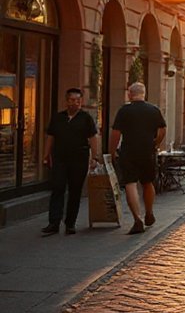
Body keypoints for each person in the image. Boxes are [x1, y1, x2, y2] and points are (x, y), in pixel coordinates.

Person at [110, 82, 166, 235]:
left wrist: (112, 151)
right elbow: (162, 129)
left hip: (129, 151)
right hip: (147, 151)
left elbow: (116, 133)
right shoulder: (153, 110)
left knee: (130, 183)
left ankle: (137, 219)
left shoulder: (124, 111)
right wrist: (156, 143)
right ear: (144, 93)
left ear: (129, 94)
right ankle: (149, 212)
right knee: (147, 182)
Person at [41, 88, 99, 236]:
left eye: (78, 101)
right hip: (60, 158)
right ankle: (54, 222)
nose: (75, 103)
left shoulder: (86, 118)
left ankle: (70, 223)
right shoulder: (58, 118)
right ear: (66, 101)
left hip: (79, 159)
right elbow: (50, 136)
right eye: (72, 100)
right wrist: (46, 154)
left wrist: (95, 157)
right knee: (58, 188)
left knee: (75, 190)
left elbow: (93, 138)